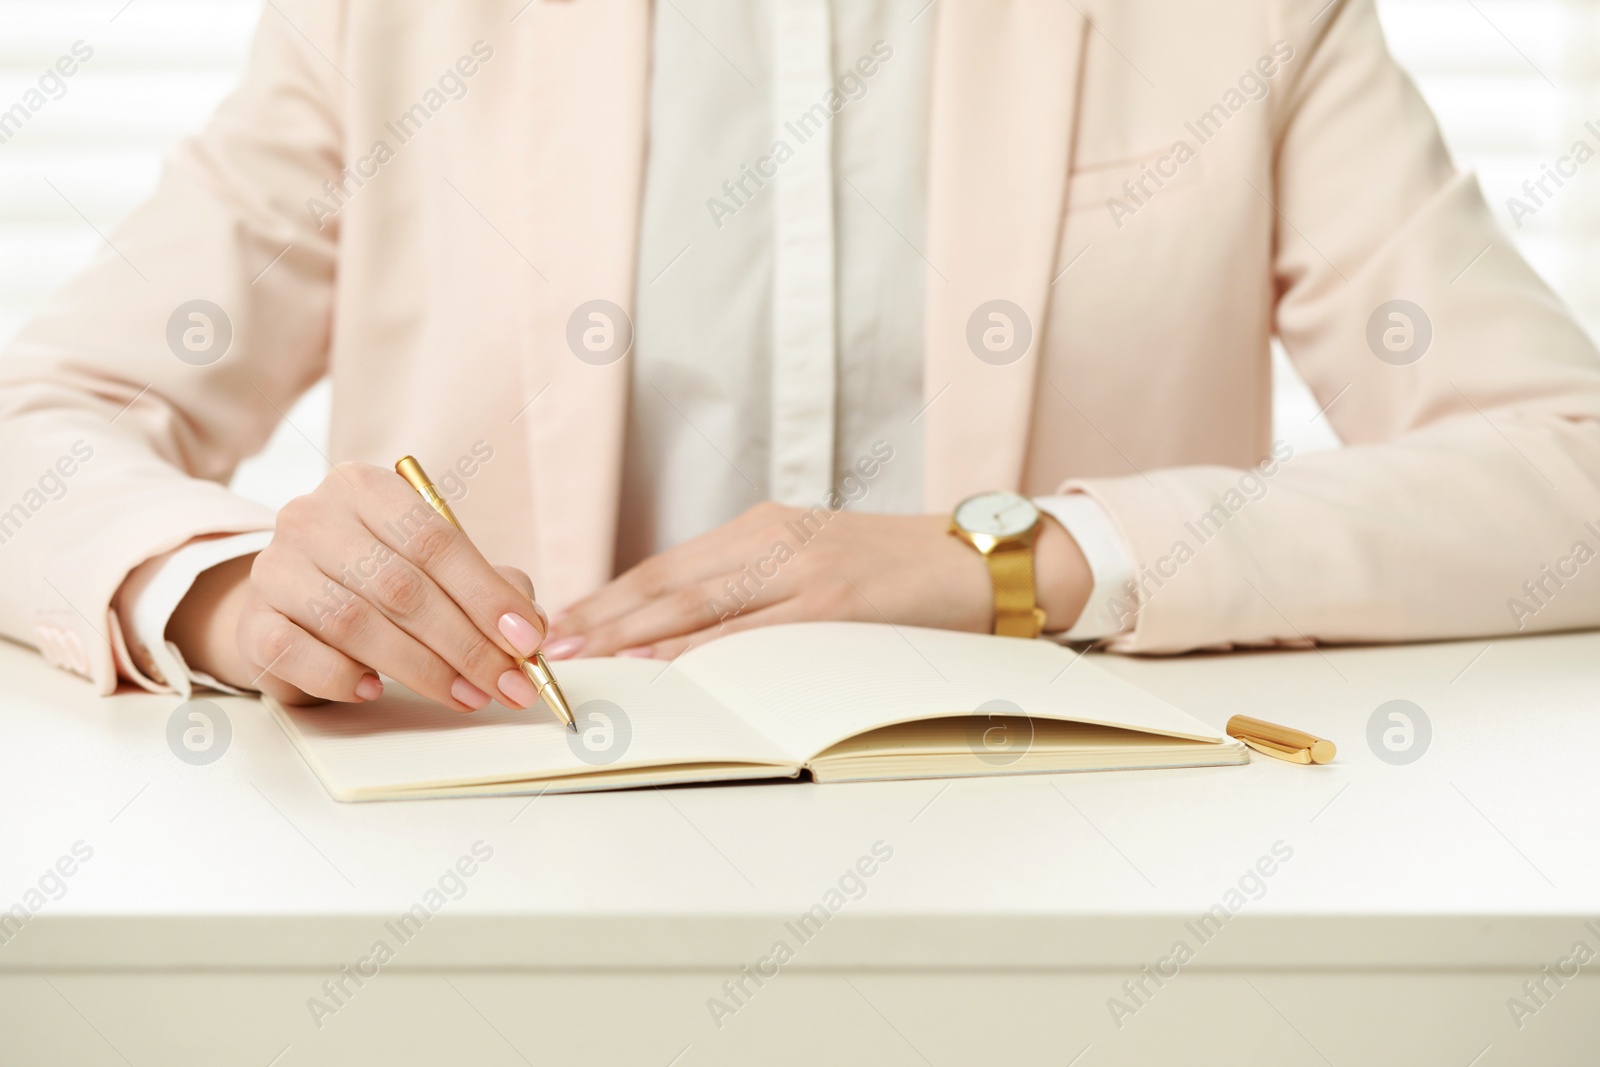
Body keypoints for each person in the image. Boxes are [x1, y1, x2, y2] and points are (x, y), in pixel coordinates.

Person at [1, 0, 1596, 714]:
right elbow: (41, 419)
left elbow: (1565, 466)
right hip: (495, 907)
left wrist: (1024, 560)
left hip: (1084, 913)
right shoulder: (389, 21)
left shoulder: (1250, 15)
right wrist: (222, 590)